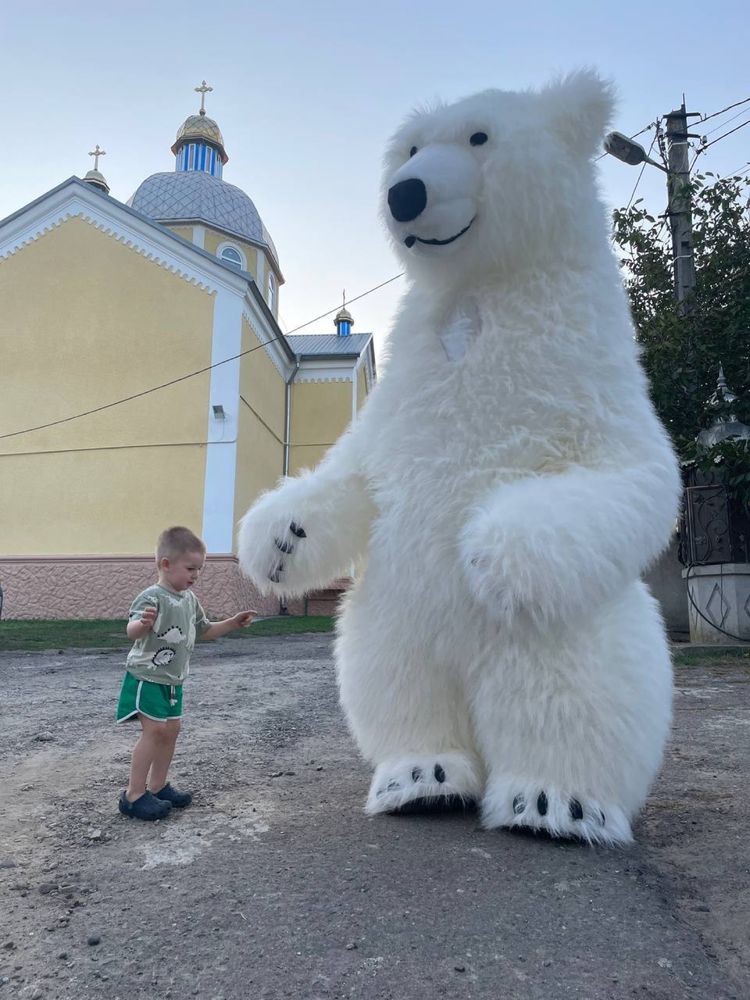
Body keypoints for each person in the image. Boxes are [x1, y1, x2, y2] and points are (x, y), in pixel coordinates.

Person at [116, 526, 256, 821]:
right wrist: (143, 624)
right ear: (165, 564)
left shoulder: (189, 600)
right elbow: (131, 631)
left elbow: (205, 630)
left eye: (199, 570)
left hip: (173, 680)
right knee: (153, 732)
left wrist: (232, 622)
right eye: (190, 568)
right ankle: (134, 795)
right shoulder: (151, 597)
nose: (195, 575)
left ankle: (158, 786)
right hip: (147, 676)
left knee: (171, 731)